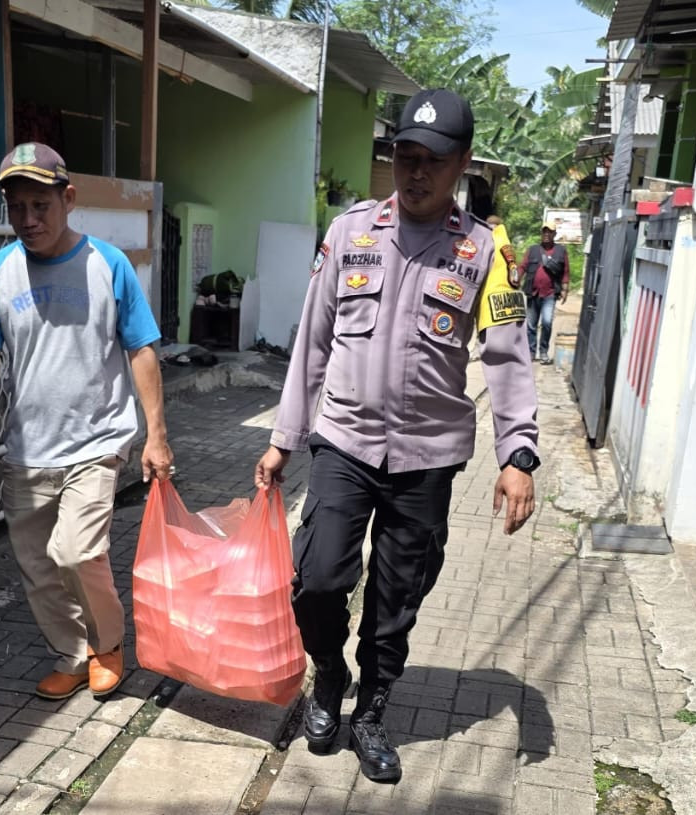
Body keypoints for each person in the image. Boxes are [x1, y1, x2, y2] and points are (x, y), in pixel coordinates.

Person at [254, 89, 540, 784]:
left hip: (427, 456)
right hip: (344, 441)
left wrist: (517, 454)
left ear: (462, 163)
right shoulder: (351, 231)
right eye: (405, 157)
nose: (416, 172)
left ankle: (372, 710)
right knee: (318, 578)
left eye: (433, 161)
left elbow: (507, 356)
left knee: (395, 598)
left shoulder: (484, 251)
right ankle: (329, 672)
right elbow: (312, 340)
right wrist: (284, 437)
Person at [0, 143, 173, 701]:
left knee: (75, 552)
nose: (27, 219)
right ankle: (72, 655)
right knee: (37, 566)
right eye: (16, 207)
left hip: (97, 441)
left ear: (68, 199)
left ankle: (108, 644)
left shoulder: (108, 264)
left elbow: (142, 348)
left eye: (40, 205)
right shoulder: (0, 270)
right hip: (28, 448)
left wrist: (156, 435)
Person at [521, 222, 570, 364]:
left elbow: (566, 272)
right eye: (544, 232)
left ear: (554, 234)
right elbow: (522, 266)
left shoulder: (561, 251)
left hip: (550, 293)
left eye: (550, 232)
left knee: (547, 322)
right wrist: (515, 278)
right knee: (531, 325)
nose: (546, 234)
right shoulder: (532, 250)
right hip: (533, 293)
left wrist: (565, 289)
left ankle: (543, 351)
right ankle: (531, 352)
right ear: (541, 233)